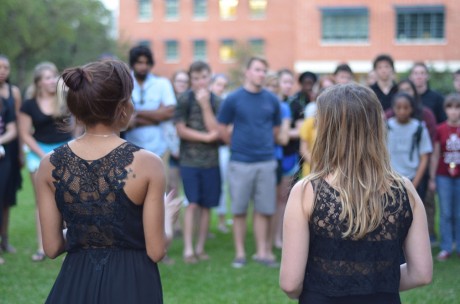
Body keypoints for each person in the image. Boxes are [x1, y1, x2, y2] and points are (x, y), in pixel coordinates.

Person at [280, 83, 433, 303]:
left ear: (327, 131)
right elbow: (421, 273)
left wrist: (337, 280)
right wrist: (373, 280)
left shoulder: (305, 192)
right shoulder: (405, 189)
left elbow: (290, 283)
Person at [35, 60, 167, 303]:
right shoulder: (149, 163)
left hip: (75, 283)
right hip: (132, 284)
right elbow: (156, 250)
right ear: (122, 107)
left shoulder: (48, 164)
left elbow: (52, 247)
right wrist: (167, 220)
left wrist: (85, 227)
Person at [218, 57, 281, 268]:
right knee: (239, 209)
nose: (261, 74)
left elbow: (276, 129)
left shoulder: (272, 100)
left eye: (264, 70)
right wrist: (234, 145)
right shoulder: (233, 99)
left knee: (264, 209)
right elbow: (221, 126)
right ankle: (240, 253)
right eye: (257, 70)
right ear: (247, 72)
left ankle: (263, 252)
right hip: (240, 162)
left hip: (266, 161)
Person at [19, 62, 72, 262]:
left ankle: (71, 241)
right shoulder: (29, 104)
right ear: (39, 82)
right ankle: (43, 247)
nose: (52, 81)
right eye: (47, 78)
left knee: (68, 197)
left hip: (65, 150)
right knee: (42, 202)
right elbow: (25, 133)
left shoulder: (65, 99)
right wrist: (43, 155)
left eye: (54, 76)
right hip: (38, 153)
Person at [174, 61, 221, 263]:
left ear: (210, 77)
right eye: (196, 78)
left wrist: (204, 106)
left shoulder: (217, 101)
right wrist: (205, 137)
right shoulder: (184, 99)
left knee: (206, 206)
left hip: (211, 162)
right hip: (189, 161)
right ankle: (188, 249)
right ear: (191, 79)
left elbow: (218, 130)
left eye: (204, 77)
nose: (200, 82)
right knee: (192, 204)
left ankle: (200, 247)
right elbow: (181, 129)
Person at [124, 45, 176, 160]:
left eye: (147, 63)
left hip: (159, 148)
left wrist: (136, 113)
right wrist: (156, 117)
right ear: (133, 63)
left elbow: (169, 112)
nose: (143, 66)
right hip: (130, 148)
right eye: (140, 62)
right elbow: (123, 120)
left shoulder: (162, 83)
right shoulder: (125, 84)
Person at [429, 93, 460, 261]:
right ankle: (446, 247)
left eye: (457, 108)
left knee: (459, 213)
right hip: (444, 176)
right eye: (450, 108)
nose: (454, 112)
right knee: (446, 213)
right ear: (445, 109)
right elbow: (435, 154)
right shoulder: (440, 129)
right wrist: (433, 178)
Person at [264, 72, 291, 250]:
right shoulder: (259, 107)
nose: (273, 90)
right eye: (270, 86)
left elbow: (283, 138)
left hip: (280, 158)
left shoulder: (283, 108)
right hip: (262, 158)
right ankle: (265, 239)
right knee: (266, 202)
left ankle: (277, 237)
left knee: (281, 201)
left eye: (275, 86)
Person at [387, 93, 432, 196]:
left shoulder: (419, 128)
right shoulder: (386, 127)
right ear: (393, 108)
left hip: (413, 177)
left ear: (411, 108)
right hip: (390, 179)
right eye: (398, 108)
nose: (402, 111)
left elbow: (424, 157)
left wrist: (414, 184)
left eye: (406, 108)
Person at [0, 55, 22, 254]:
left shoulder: (13, 92)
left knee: (6, 197)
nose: (3, 71)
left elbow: (18, 124)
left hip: (9, 149)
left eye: (6, 67)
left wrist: (21, 152)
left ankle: (4, 240)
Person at [0, 75, 18, 265]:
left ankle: (3, 241)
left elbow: (12, 129)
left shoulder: (4, 102)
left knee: (2, 200)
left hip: (3, 157)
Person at [210, 73, 231, 233]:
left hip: (223, 148)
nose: (221, 88)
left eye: (224, 86)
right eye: (218, 84)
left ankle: (222, 220)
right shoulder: (206, 103)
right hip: (207, 150)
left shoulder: (226, 104)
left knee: (223, 185)